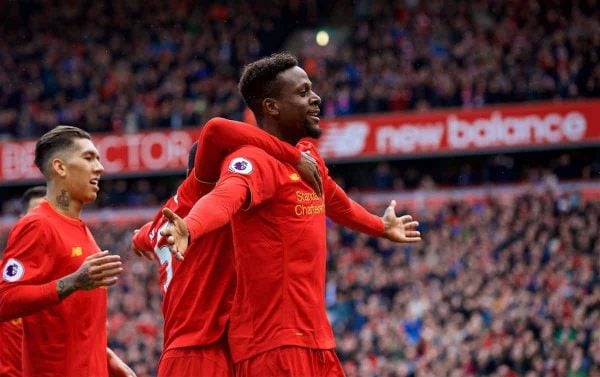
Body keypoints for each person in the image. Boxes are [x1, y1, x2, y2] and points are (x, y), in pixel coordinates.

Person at [161, 53, 421, 376]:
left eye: (311, 90)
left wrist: (380, 226)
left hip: (317, 341)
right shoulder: (253, 159)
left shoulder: (308, 156)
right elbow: (226, 196)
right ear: (272, 106)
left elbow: (335, 201)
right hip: (273, 348)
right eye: (303, 93)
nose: (316, 99)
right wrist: (192, 226)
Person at [132, 118, 323, 377]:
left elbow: (142, 237)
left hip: (178, 351)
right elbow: (220, 134)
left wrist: (137, 241)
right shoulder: (208, 207)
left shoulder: (163, 218)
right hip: (204, 350)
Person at [0, 126, 135, 377]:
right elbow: (4, 300)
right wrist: (72, 282)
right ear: (60, 167)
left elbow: (73, 322)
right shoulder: (37, 225)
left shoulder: (80, 229)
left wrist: (107, 360)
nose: (100, 167)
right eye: (88, 158)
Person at [0, 186, 46, 377]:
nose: (43, 221)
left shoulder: (74, 277)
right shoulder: (4, 276)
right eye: (35, 213)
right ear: (22, 220)